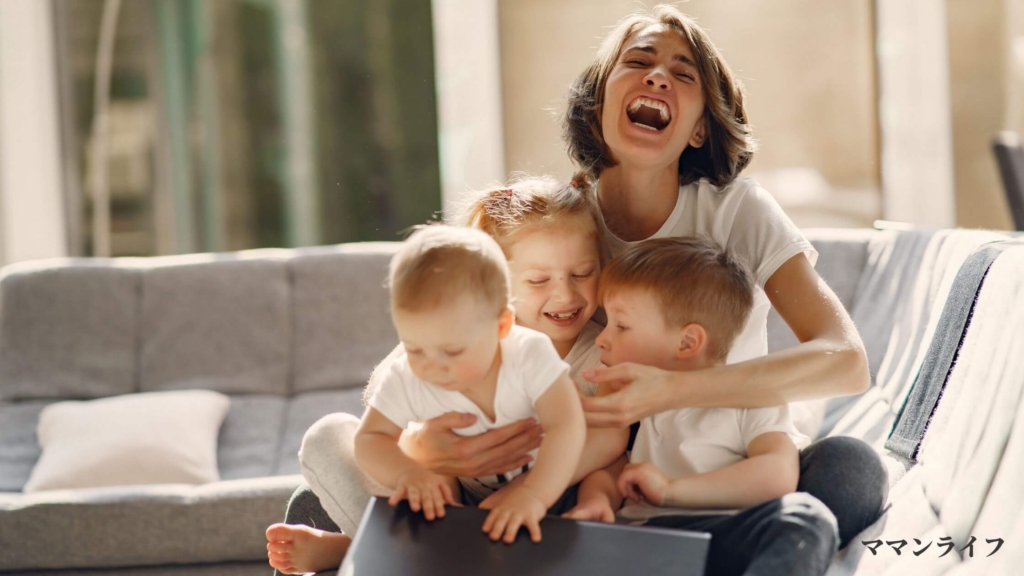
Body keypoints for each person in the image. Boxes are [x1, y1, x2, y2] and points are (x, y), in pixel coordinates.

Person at [562, 4, 887, 549]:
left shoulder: (738, 211)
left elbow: (847, 362)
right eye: (638, 60)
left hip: (730, 457)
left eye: (683, 74)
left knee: (850, 471)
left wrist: (673, 390)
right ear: (597, 105)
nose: (658, 75)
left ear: (698, 130)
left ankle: (725, 542)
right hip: (612, 462)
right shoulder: (565, 222)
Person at [268, 180, 629, 573]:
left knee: (610, 469)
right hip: (444, 503)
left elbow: (609, 437)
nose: (565, 295)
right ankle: (412, 548)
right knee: (329, 436)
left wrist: (527, 492)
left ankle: (365, 549)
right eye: (538, 281)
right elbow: (379, 431)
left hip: (547, 500)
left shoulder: (599, 346)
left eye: (583, 273)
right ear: (497, 289)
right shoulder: (436, 349)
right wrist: (411, 471)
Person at [564, 237, 837, 575]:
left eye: (621, 325)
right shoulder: (627, 395)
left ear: (687, 342)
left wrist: (672, 491)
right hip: (642, 538)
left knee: (806, 519)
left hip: (723, 533)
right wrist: (598, 501)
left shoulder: (752, 397)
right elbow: (612, 468)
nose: (602, 338)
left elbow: (777, 473)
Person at [353, 224, 586, 545]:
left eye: (452, 351)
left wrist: (533, 495)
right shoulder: (407, 374)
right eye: (414, 347)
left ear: (502, 325)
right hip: (458, 499)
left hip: (551, 489)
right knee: (336, 439)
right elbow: (370, 438)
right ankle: (369, 544)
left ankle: (351, 543)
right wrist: (406, 472)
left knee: (602, 479)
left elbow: (567, 426)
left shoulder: (529, 353)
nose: (431, 366)